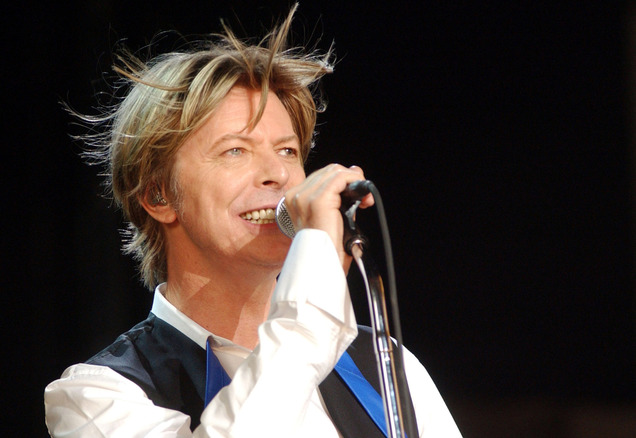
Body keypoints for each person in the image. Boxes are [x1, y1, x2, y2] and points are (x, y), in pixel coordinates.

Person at [45, 5, 462, 437]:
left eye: (287, 151)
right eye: (235, 151)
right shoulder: (97, 396)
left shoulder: (385, 365)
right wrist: (312, 305)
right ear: (158, 196)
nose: (278, 173)